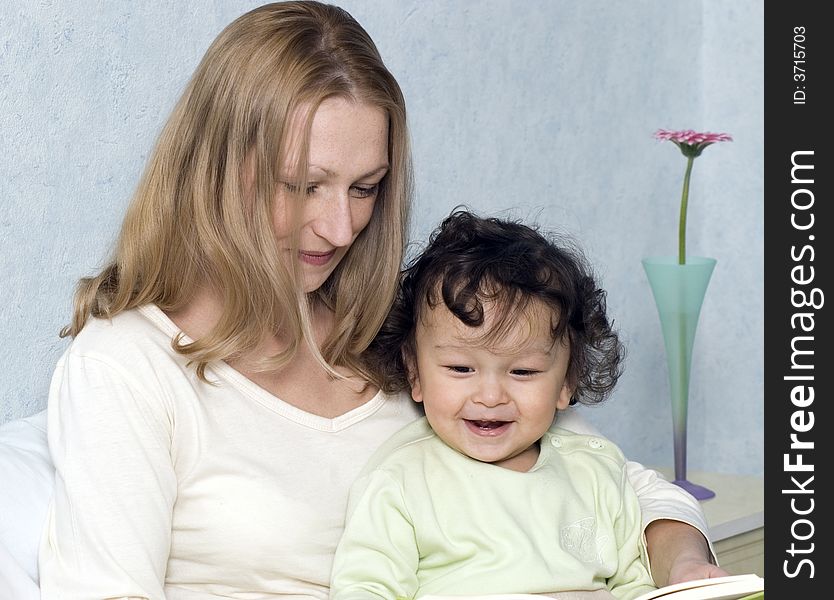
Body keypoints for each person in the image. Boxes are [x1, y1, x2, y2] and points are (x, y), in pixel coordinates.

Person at [38, 2, 723, 599]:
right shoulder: (129, 367)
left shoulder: (406, 335)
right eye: (304, 186)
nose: (341, 228)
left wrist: (685, 566)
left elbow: (616, 486)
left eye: (364, 189)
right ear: (216, 169)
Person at [330, 211, 655, 599]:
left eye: (522, 372)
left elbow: (637, 584)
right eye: (461, 368)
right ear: (415, 373)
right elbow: (366, 589)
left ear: (566, 382)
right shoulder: (401, 482)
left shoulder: (595, 472)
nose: (490, 397)